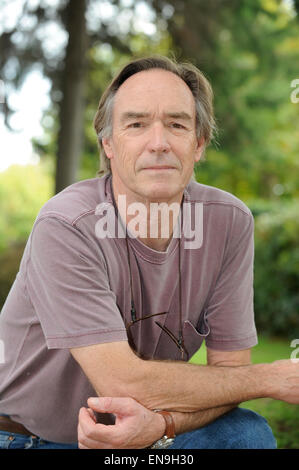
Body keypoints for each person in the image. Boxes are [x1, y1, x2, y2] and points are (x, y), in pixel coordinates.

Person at [0, 56, 298, 450]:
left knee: (246, 435)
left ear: (199, 143)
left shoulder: (229, 223)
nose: (158, 143)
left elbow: (229, 377)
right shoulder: (67, 225)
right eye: (137, 124)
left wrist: (163, 425)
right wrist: (273, 378)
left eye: (176, 124)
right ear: (108, 144)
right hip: (30, 438)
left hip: (146, 431)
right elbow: (121, 382)